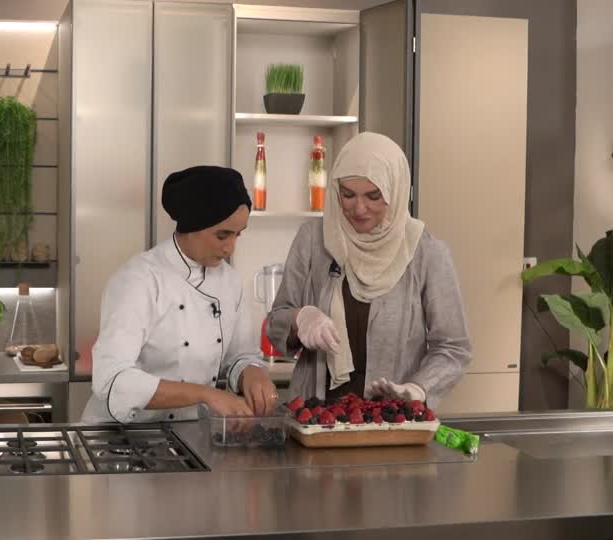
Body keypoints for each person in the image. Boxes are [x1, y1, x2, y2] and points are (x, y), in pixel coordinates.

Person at [267, 132, 471, 406]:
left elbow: (453, 347)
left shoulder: (427, 253)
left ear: (396, 191)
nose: (359, 208)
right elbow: (276, 322)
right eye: (348, 195)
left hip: (392, 418)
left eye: (374, 196)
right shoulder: (314, 239)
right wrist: (300, 318)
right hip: (315, 417)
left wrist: (419, 388)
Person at [82, 165, 278, 424]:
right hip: (121, 438)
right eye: (222, 235)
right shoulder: (140, 279)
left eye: (238, 235)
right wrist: (206, 394)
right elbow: (113, 378)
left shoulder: (229, 281)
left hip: (187, 436)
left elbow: (240, 355)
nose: (230, 248)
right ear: (192, 225)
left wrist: (251, 372)